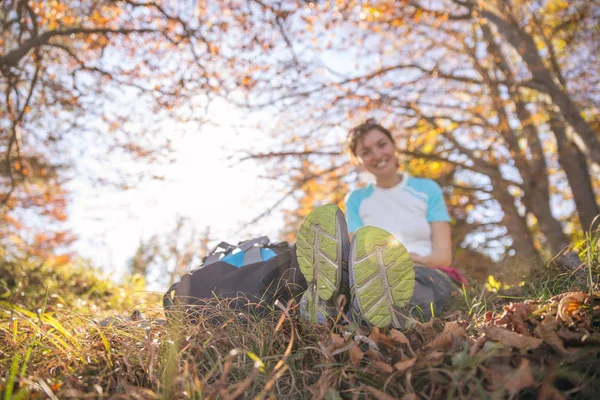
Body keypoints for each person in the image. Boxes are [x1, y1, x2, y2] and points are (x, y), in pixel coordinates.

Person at [296, 119, 465, 329]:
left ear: (393, 146)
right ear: (359, 160)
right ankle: (329, 306)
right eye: (366, 152)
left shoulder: (426, 189)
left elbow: (443, 256)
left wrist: (414, 260)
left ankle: (366, 314)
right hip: (370, 273)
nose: (376, 155)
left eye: (382, 144)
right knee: (366, 284)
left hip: (423, 270)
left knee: (403, 290)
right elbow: (357, 248)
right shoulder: (357, 199)